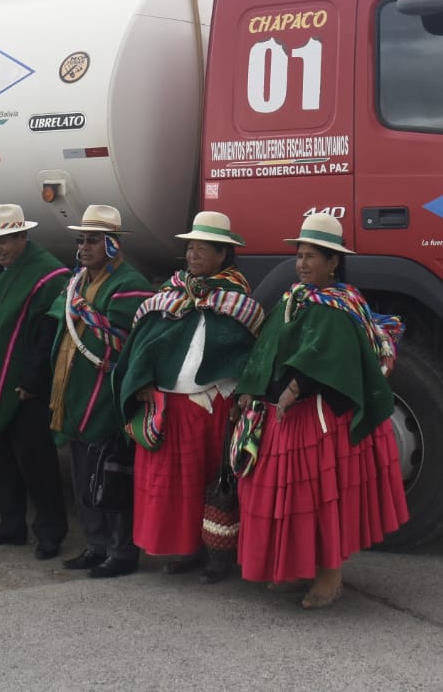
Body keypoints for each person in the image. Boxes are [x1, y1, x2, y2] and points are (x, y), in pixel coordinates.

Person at [235, 214, 409, 609]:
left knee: (319, 498)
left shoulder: (340, 305)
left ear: (333, 262)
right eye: (299, 256)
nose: (302, 264)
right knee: (292, 499)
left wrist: (296, 386)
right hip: (285, 418)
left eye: (312, 256)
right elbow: (266, 347)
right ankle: (297, 568)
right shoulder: (292, 298)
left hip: (320, 419)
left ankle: (329, 577)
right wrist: (250, 388)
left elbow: (332, 355)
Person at [115, 211, 263, 582]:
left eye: (202, 248)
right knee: (175, 488)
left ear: (222, 255)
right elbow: (142, 344)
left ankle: (218, 555)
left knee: (214, 483)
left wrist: (234, 391)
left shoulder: (238, 302)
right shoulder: (171, 294)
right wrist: (143, 380)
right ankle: (184, 549)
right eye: (190, 247)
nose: (193, 255)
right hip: (169, 407)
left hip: (212, 408)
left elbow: (253, 354)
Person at [0, 203, 71, 559]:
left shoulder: (49, 275)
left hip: (25, 387)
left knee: (36, 462)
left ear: (23, 237)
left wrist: (33, 380)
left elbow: (49, 332)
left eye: (5, 241)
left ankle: (50, 531)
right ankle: (11, 524)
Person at [47, 205, 153, 579]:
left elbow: (127, 341)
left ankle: (121, 550)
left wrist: (86, 314)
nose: (85, 246)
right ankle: (95, 545)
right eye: (81, 240)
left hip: (104, 395)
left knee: (111, 476)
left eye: (93, 240)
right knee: (82, 475)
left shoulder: (129, 283)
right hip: (74, 393)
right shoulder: (77, 281)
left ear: (112, 244)